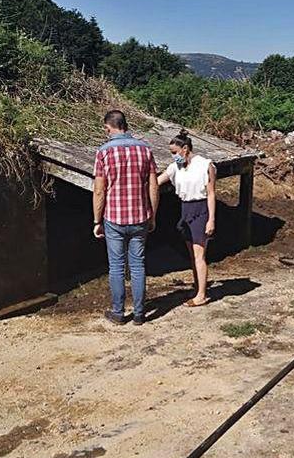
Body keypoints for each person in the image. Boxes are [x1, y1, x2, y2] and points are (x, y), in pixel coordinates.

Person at [93, 110, 159, 326]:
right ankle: (140, 314)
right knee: (138, 266)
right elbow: (153, 186)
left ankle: (118, 312)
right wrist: (153, 215)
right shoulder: (145, 150)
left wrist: (97, 220)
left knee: (116, 266)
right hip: (140, 216)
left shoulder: (103, 153)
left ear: (109, 127)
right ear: (125, 125)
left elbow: (99, 191)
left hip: (114, 218)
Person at [158, 130, 217, 307]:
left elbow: (211, 193)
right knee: (192, 254)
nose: (174, 156)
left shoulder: (205, 165)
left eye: (175, 153)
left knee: (200, 255)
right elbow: (158, 181)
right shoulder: (175, 167)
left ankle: (201, 295)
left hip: (201, 208)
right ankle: (198, 287)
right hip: (185, 209)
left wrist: (211, 219)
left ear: (185, 149)